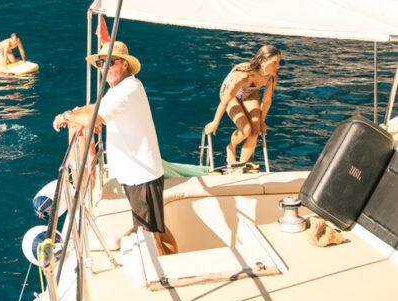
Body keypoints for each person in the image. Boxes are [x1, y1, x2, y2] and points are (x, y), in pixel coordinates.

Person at [53, 40, 174, 257]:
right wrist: (79, 112)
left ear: (125, 64)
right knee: (156, 229)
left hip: (141, 175)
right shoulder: (118, 90)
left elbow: (92, 117)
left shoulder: (128, 89)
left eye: (110, 62)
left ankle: (164, 271)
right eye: (101, 63)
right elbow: (95, 109)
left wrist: (67, 116)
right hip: (137, 173)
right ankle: (171, 262)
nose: (104, 67)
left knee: (149, 234)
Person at [204, 45, 281, 166]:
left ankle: (242, 165)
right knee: (245, 130)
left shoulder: (272, 76)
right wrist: (215, 122)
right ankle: (231, 147)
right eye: (274, 62)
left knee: (254, 133)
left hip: (250, 93)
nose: (278, 66)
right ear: (262, 61)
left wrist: (262, 121)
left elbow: (266, 100)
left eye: (279, 62)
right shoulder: (244, 75)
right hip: (229, 95)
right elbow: (226, 99)